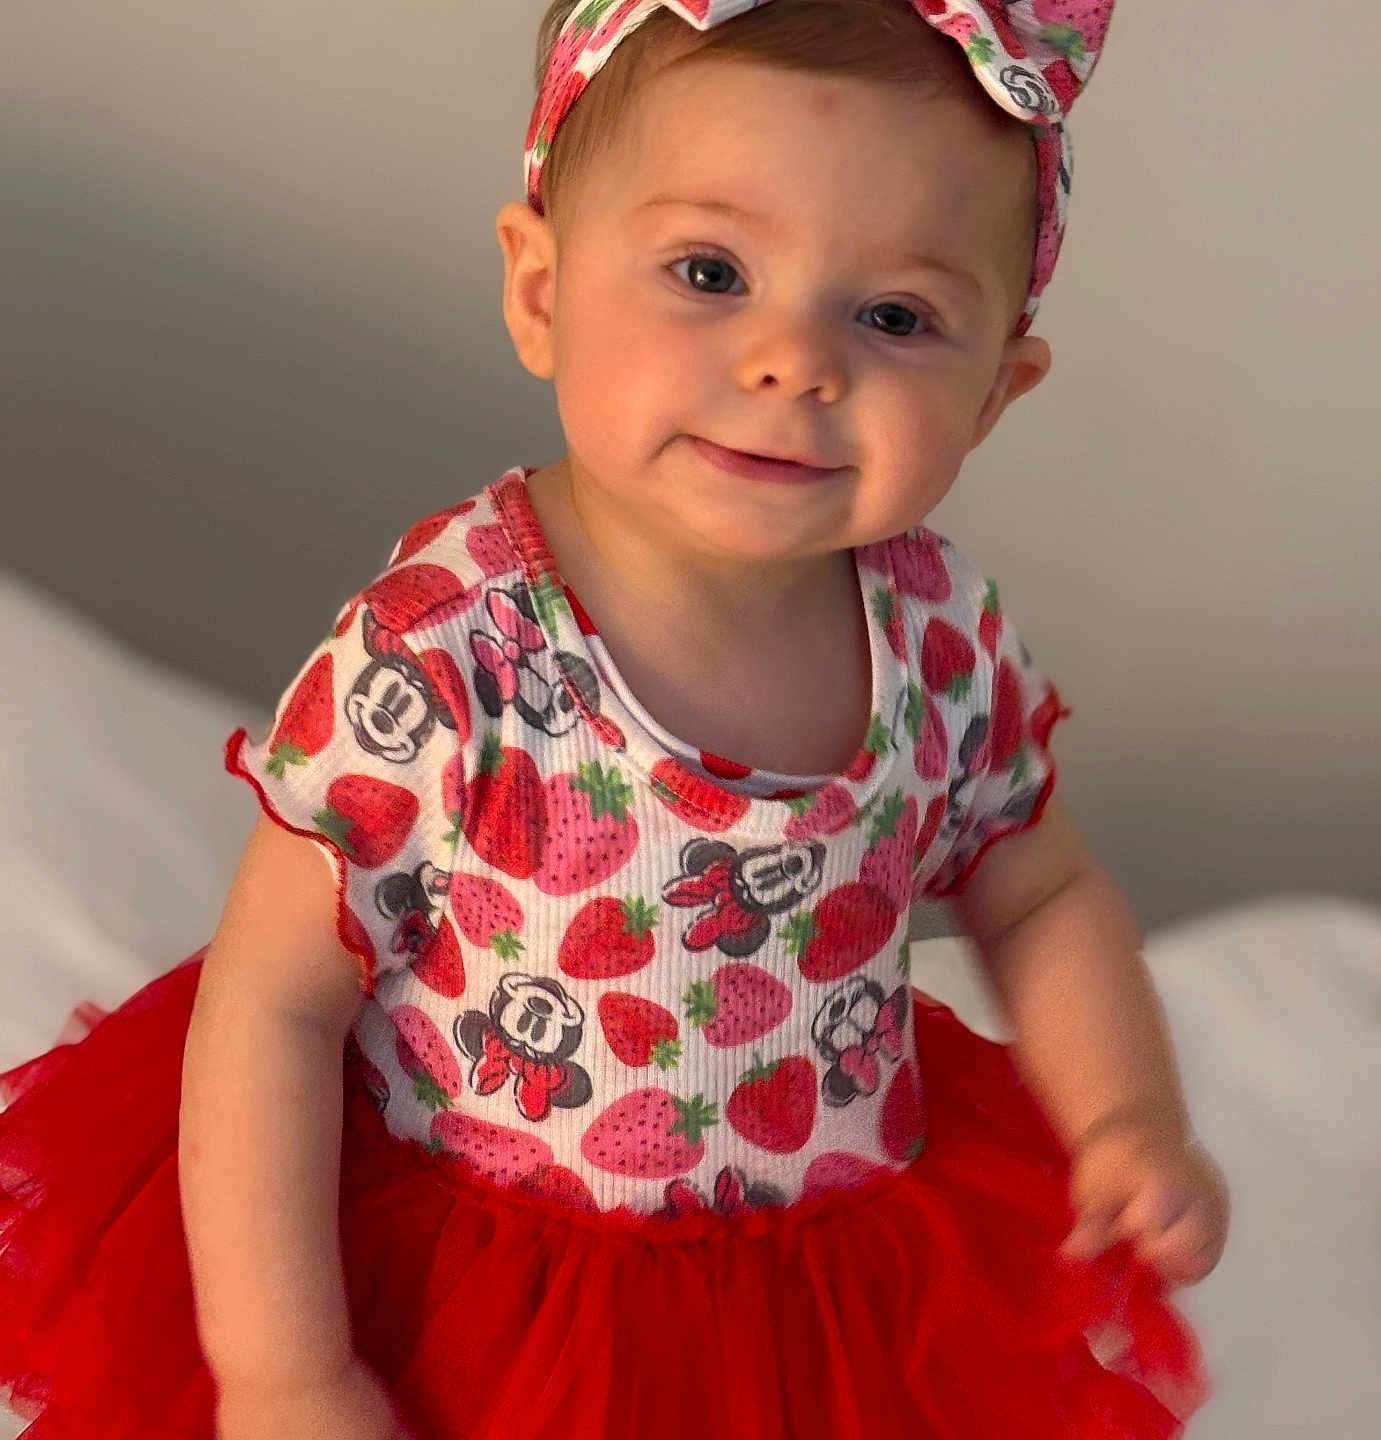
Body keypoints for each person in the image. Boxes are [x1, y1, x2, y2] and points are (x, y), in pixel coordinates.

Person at [0, 2, 1230, 1437]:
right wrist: (287, 1372)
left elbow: (1040, 884)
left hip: (822, 1294)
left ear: (995, 393)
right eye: (710, 272)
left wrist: (1124, 1116)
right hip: (496, 1290)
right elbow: (271, 1005)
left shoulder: (938, 635)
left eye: (895, 317)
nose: (793, 361)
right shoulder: (448, 647)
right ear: (539, 289)